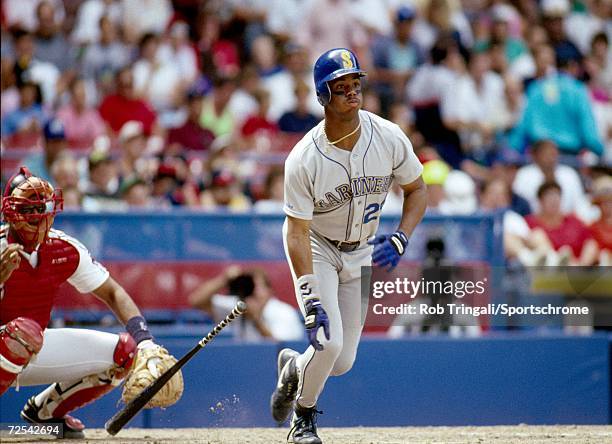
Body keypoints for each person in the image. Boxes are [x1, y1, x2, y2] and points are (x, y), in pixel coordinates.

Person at [270, 48, 426, 443]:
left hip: (363, 250)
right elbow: (297, 231)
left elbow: (417, 189)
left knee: (341, 361)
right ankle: (303, 420)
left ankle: (293, 369)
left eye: (356, 84)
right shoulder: (304, 157)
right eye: (341, 87)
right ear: (323, 96)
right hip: (319, 245)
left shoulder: (387, 135)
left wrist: (401, 236)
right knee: (327, 340)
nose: (352, 93)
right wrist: (309, 298)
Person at [0, 166, 181, 438]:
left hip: (31, 344)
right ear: (12, 214)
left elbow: (113, 292)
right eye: (29, 210)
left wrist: (145, 340)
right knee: (24, 333)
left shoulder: (64, 248)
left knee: (126, 352)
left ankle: (46, 412)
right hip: (13, 341)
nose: (37, 217)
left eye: (42, 208)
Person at [188, 265, 303, 342]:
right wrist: (225, 279)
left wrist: (256, 320)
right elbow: (196, 301)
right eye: (249, 287)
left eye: (256, 287)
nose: (252, 292)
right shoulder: (238, 307)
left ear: (269, 291)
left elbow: (281, 347)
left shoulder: (283, 312)